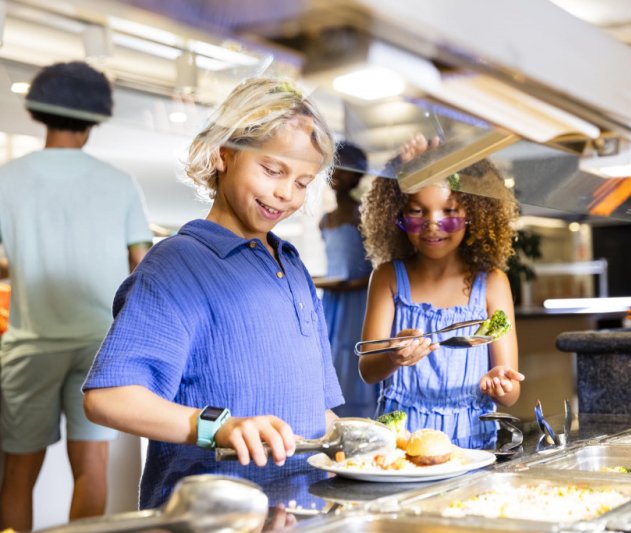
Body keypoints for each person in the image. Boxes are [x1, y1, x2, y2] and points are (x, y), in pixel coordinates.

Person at [82, 77, 344, 510]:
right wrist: (219, 428)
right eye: (273, 170)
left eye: (302, 182)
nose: (286, 193)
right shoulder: (177, 264)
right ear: (226, 154)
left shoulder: (293, 266)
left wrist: (361, 442)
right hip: (210, 517)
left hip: (299, 512)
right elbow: (109, 397)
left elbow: (316, 412)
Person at [0, 61, 152, 530]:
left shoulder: (6, 179)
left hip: (29, 344)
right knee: (90, 469)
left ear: (38, 112)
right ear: (94, 120)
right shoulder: (119, 182)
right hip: (98, 346)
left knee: (19, 473)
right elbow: (142, 267)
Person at [359, 135, 525, 449]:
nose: (433, 225)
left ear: (475, 213)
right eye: (417, 212)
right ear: (396, 215)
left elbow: (511, 392)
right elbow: (368, 369)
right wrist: (394, 357)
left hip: (473, 445)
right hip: (401, 444)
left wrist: (500, 385)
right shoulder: (387, 278)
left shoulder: (492, 283)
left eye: (449, 212)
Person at [316, 141, 377, 418]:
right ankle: (334, 419)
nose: (336, 173)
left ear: (356, 175)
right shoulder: (325, 220)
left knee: (354, 354)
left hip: (357, 299)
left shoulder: (363, 216)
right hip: (333, 300)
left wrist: (348, 284)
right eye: (333, 167)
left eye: (343, 168)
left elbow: (376, 267)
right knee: (331, 355)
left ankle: (360, 418)